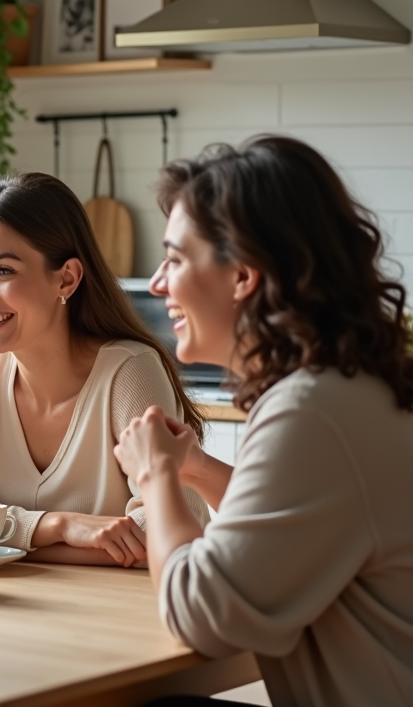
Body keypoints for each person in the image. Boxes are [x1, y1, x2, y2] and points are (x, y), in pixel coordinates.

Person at [114, 136, 413, 706]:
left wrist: (154, 479)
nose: (157, 284)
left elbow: (201, 613)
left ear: (242, 276)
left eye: (175, 259)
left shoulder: (312, 410)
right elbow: (283, 536)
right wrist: (196, 469)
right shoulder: (347, 389)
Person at [0, 172, 208, 567]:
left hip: (114, 616)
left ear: (67, 278)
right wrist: (57, 526)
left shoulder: (128, 371)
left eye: (3, 271)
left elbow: (171, 530)